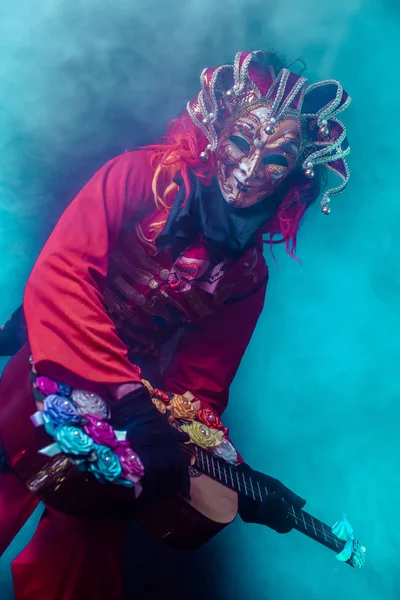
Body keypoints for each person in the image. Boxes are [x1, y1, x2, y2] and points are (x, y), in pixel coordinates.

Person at [0, 50, 351, 600]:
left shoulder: (249, 275)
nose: (250, 167)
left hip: (136, 407)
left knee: (82, 559)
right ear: (216, 133)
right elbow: (61, 276)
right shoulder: (141, 176)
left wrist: (234, 472)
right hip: (52, 353)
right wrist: (129, 399)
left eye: (277, 160)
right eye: (241, 142)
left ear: (296, 178)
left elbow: (200, 390)